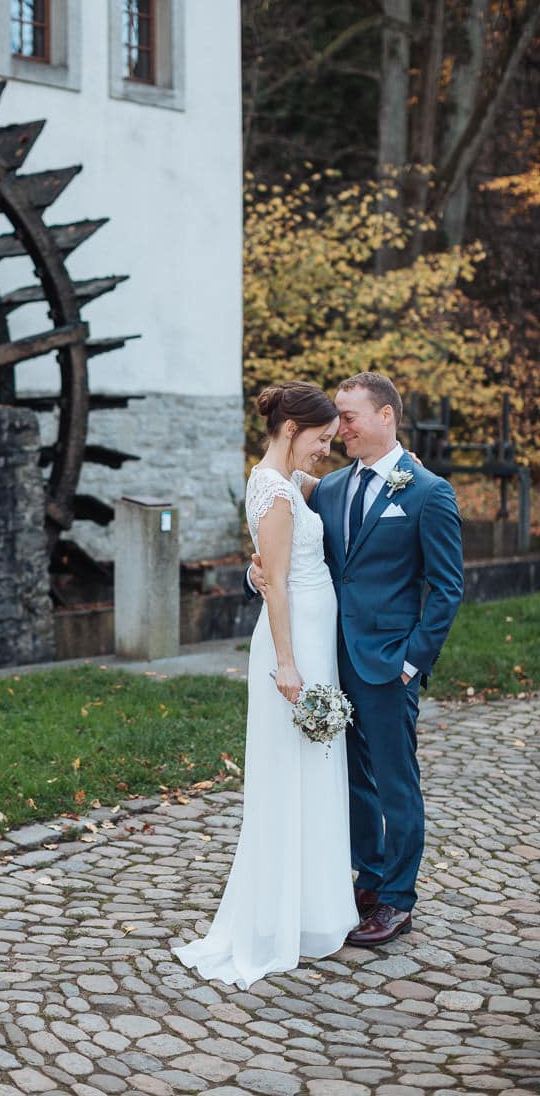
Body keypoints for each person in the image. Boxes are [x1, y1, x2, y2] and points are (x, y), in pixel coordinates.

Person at [247, 372, 464, 946]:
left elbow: (446, 589)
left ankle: (397, 899)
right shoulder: (329, 486)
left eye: (349, 416)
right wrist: (255, 575)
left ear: (385, 416)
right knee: (353, 781)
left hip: (389, 664)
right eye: (336, 418)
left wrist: (413, 661)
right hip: (331, 659)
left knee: (396, 783)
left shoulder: (427, 492)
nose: (340, 428)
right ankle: (367, 881)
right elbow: (285, 550)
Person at [172, 382, 359, 990]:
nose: (325, 451)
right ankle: (278, 920)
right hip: (293, 645)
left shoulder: (285, 484)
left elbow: (294, 531)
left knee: (314, 769)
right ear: (290, 430)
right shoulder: (274, 490)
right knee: (289, 772)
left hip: (309, 636)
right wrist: (286, 662)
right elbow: (275, 581)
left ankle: (310, 913)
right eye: (321, 440)